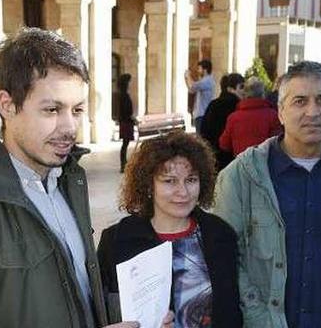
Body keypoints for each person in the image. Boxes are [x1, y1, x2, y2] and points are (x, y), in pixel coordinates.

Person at [0, 28, 172, 328]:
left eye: (77, 109)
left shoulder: (68, 179)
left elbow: (74, 293)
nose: (69, 127)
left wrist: (133, 315)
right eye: (52, 109)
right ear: (7, 105)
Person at [214, 61, 321, 328]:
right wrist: (257, 317)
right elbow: (224, 255)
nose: (312, 112)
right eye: (300, 101)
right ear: (280, 112)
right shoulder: (241, 176)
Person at [98, 131, 242, 327]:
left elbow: (233, 310)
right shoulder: (116, 240)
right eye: (169, 181)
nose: (182, 192)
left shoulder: (220, 234)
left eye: (191, 180)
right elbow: (100, 310)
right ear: (149, 185)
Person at [219, 77, 282, 156]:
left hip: (241, 164)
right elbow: (278, 144)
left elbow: (224, 144)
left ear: (245, 95)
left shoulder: (233, 117)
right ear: (263, 94)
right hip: (266, 164)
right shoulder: (272, 115)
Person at [200, 72, 245, 171]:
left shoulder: (213, 104)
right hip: (233, 156)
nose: (244, 91)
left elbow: (204, 130)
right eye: (241, 87)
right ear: (231, 88)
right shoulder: (238, 107)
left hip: (214, 155)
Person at [185, 60, 215, 134]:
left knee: (201, 139)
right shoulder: (205, 81)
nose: (198, 71)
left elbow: (193, 86)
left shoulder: (207, 81)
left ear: (205, 70)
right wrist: (186, 79)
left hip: (203, 114)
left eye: (199, 69)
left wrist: (188, 76)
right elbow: (191, 90)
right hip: (201, 114)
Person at [115, 73, 136, 173]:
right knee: (125, 144)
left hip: (126, 121)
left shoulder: (123, 95)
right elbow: (125, 111)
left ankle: (124, 163)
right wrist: (131, 119)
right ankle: (123, 164)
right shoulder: (124, 96)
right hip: (126, 122)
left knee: (125, 144)